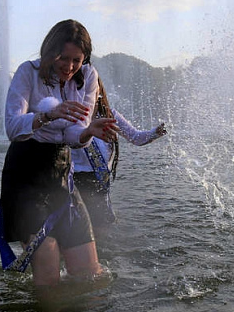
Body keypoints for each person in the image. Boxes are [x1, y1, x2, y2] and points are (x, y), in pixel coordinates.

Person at [0, 19, 119, 289]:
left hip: (62, 174)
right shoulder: (27, 73)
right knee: (48, 267)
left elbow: (72, 136)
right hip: (26, 175)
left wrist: (89, 132)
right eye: (63, 58)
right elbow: (12, 128)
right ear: (50, 52)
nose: (69, 66)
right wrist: (47, 116)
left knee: (90, 271)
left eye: (77, 59)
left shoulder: (88, 77)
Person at [71, 77, 167, 230]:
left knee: (102, 230)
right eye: (80, 91)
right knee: (78, 231)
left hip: (100, 182)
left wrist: (155, 133)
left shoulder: (110, 115)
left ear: (99, 92)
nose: (85, 96)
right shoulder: (69, 118)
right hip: (75, 181)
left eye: (90, 91)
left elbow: (136, 137)